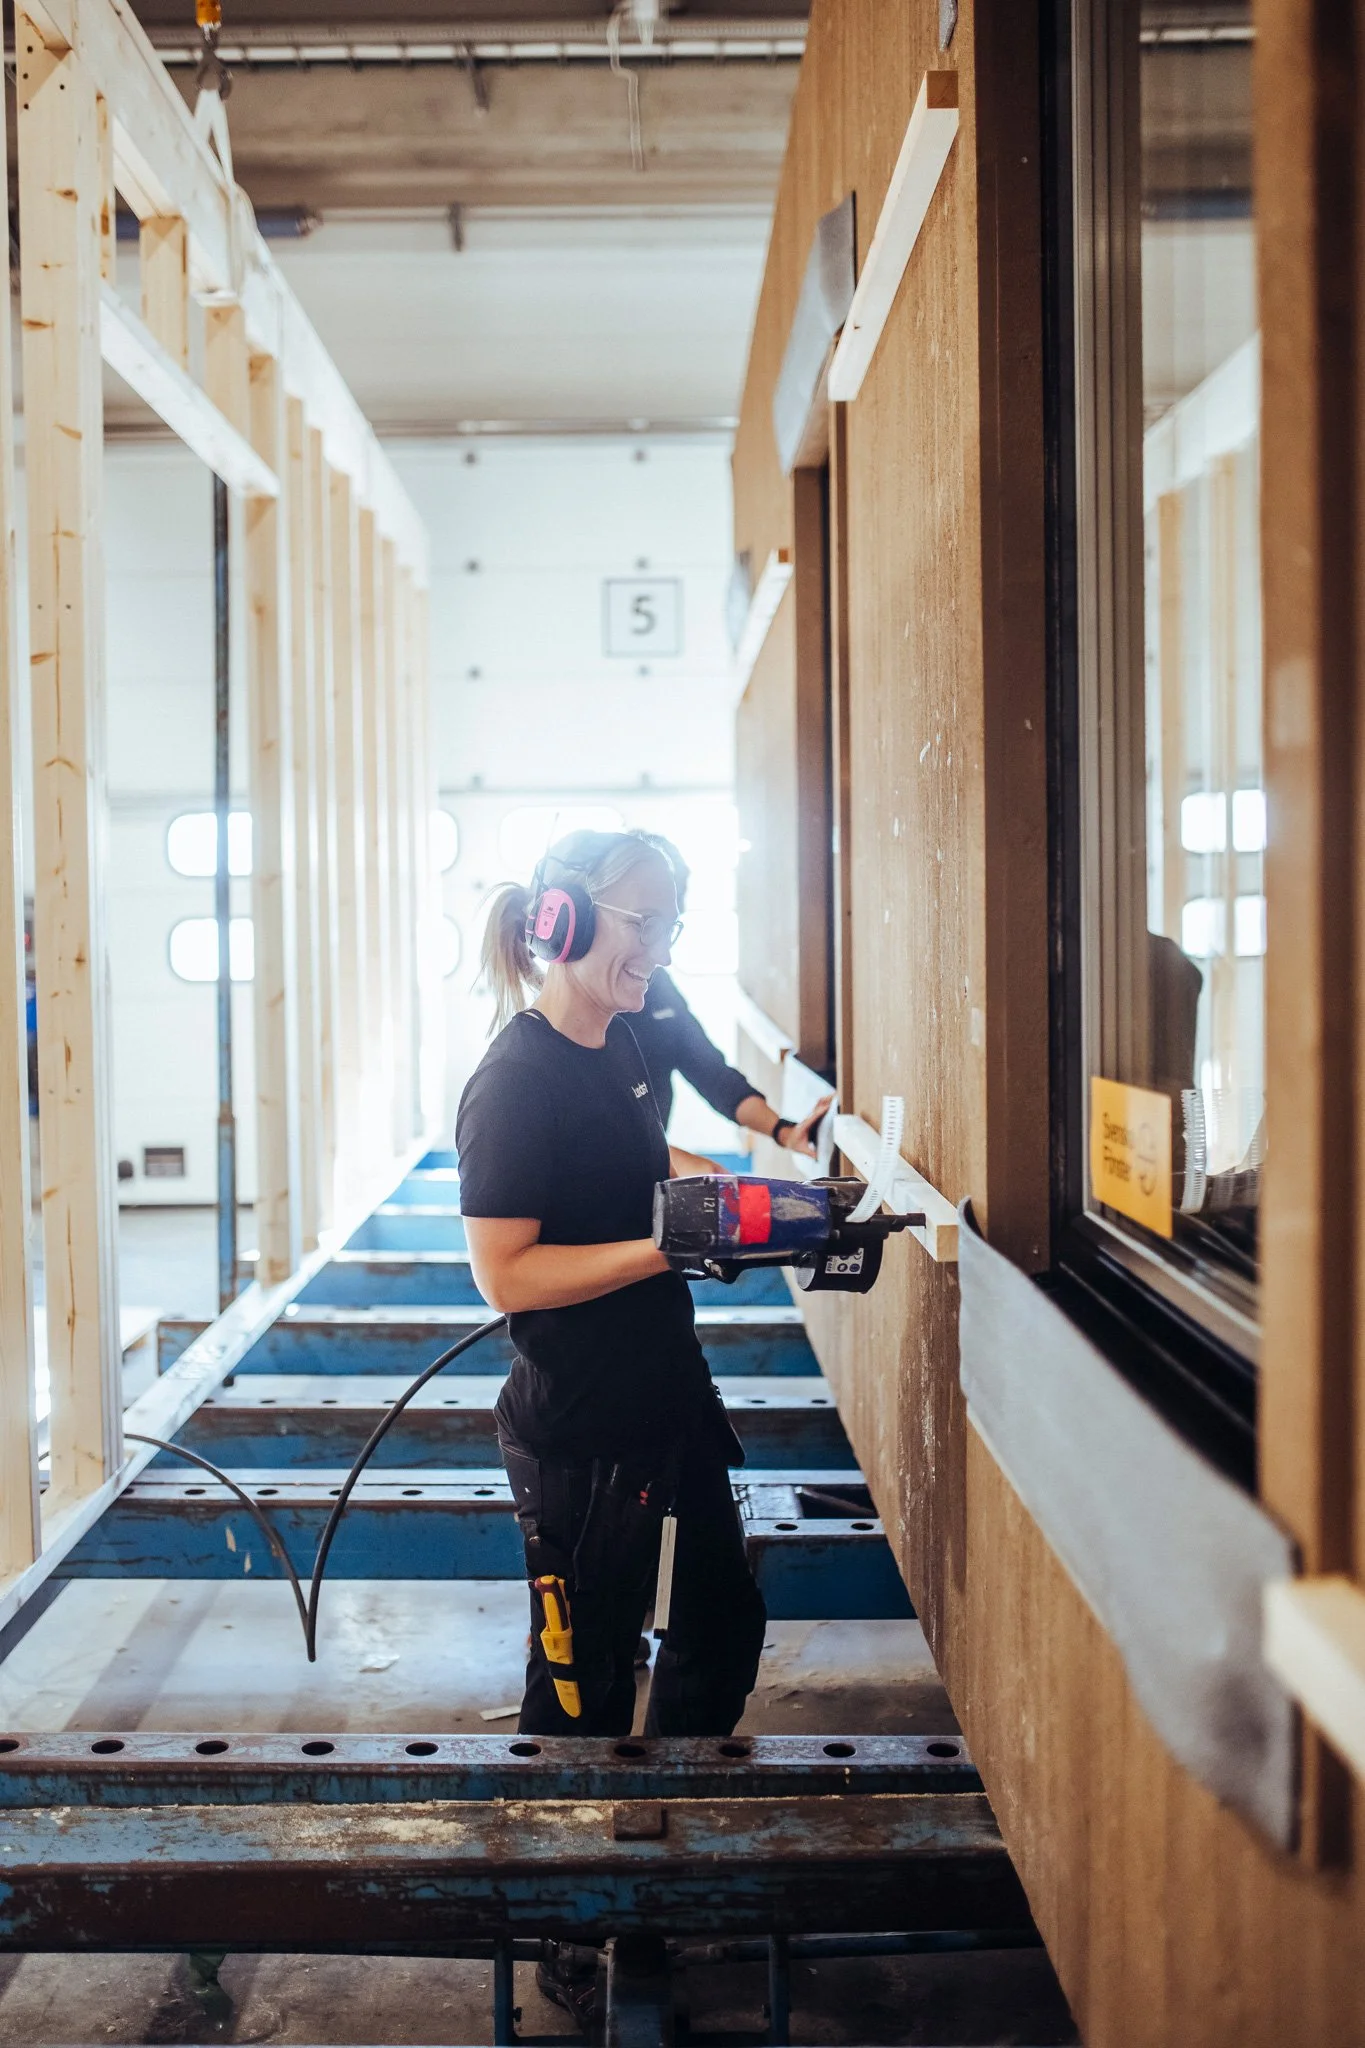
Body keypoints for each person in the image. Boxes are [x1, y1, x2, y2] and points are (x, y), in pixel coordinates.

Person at [455, 828, 768, 1751]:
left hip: (667, 1398)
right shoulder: (513, 1081)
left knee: (718, 1629)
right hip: (583, 1438)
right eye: (647, 922)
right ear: (568, 920)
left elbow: (623, 1150)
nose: (662, 948)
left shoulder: (620, 1043)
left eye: (673, 924)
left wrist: (704, 1183)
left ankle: (662, 1804)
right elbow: (503, 1274)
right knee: (582, 1683)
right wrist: (665, 1246)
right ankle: (558, 1865)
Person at [631, 832, 832, 1156]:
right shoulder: (577, 1017)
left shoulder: (659, 988)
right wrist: (669, 1160)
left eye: (670, 930)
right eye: (654, 927)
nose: (662, 953)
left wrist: (785, 1131)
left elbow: (710, 1072)